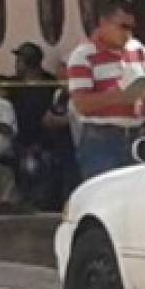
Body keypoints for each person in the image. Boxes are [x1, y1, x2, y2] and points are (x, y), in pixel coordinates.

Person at [67, 0, 145, 181]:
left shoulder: (137, 49)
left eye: (131, 28)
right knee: (103, 198)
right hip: (102, 140)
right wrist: (119, 96)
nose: (128, 33)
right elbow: (81, 104)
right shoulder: (83, 56)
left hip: (136, 136)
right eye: (122, 27)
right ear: (104, 23)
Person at [10, 41, 57, 206]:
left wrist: (41, 142)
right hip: (21, 140)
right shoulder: (14, 85)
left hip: (44, 141)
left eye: (19, 60)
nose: (16, 64)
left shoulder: (49, 84)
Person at [42, 62, 81, 209]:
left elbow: (67, 120)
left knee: (74, 179)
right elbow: (47, 118)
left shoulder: (78, 94)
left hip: (77, 142)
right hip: (61, 144)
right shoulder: (59, 94)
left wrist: (57, 120)